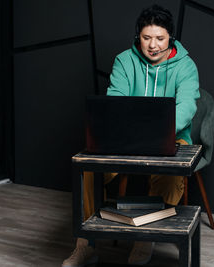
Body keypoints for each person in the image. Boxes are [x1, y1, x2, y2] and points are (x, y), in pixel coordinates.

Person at [62, 4, 200, 267]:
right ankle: (85, 244)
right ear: (138, 36)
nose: (153, 45)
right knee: (88, 171)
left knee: (170, 177)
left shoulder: (186, 66)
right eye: (147, 38)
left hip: (171, 137)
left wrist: (158, 131)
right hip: (124, 138)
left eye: (160, 38)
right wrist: (131, 133)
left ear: (170, 37)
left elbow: (187, 106)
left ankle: (145, 239)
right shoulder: (124, 60)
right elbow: (116, 102)